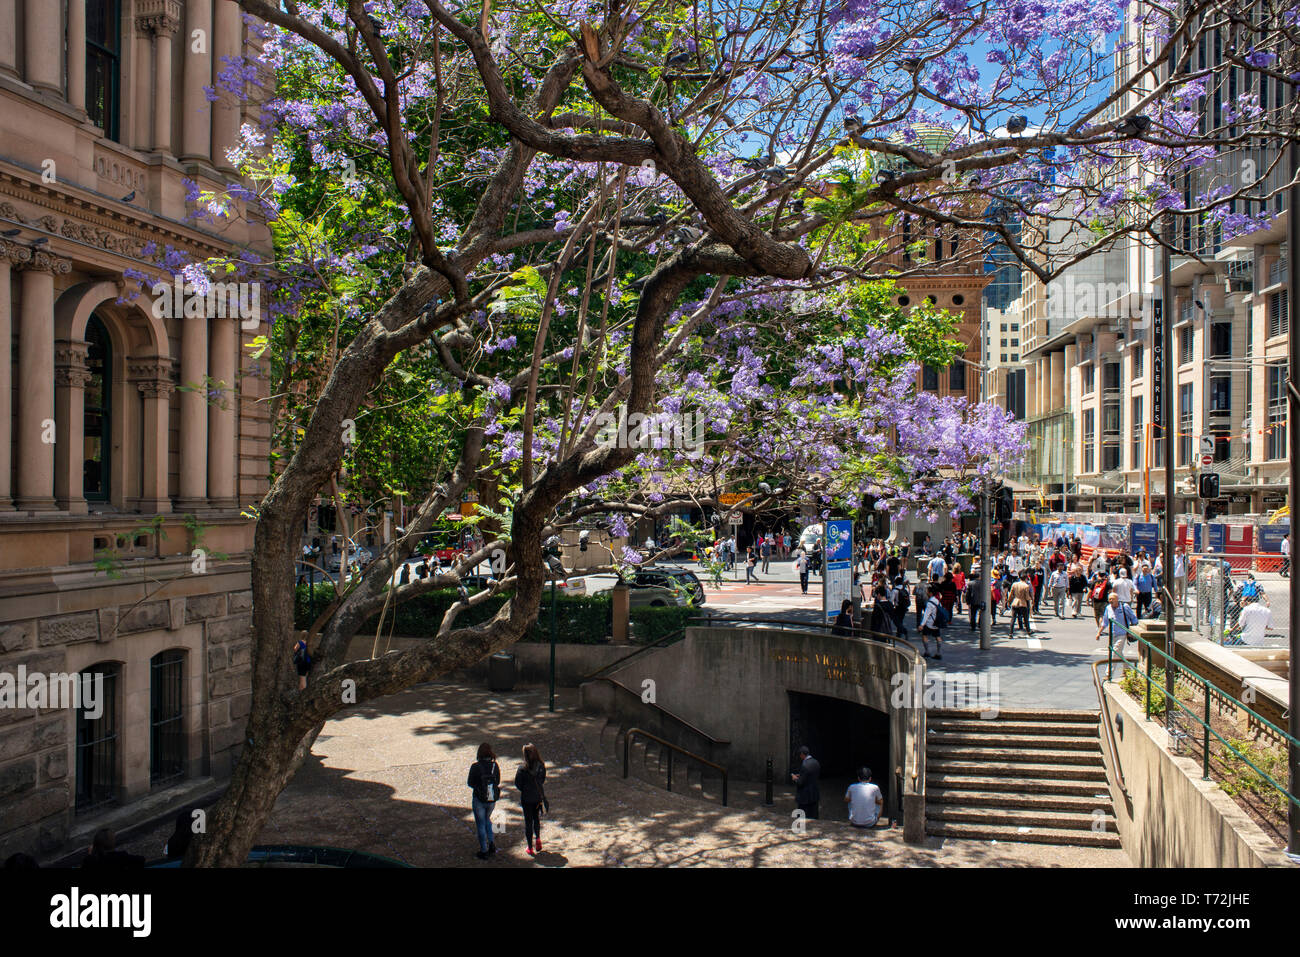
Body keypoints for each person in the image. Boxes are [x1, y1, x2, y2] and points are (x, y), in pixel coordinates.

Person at [467, 742, 501, 860]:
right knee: (487, 819)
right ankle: (491, 842)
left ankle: (484, 849)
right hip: (491, 798)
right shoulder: (494, 766)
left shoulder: (475, 766)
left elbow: (470, 783)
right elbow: (498, 781)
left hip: (479, 798)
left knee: (480, 824)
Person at [515, 744, 549, 856]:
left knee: (528, 822)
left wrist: (525, 789)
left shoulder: (522, 769)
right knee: (536, 818)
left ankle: (530, 847)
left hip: (526, 798)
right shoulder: (541, 766)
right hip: (537, 797)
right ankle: (538, 839)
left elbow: (518, 784)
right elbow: (542, 780)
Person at [1096, 592, 1140, 660]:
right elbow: (1105, 622)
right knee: (1118, 652)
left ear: (1117, 599)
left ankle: (1109, 670)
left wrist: (1132, 631)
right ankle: (1126, 668)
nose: (1111, 601)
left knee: (1115, 651)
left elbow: (1134, 619)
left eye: (1112, 599)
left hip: (1122, 634)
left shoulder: (1124, 607)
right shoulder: (1108, 608)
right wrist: (1099, 633)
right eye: (1109, 599)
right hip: (1112, 634)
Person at [80, 829, 144, 870]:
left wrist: (90, 855)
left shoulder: (90, 860)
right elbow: (141, 860)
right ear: (112, 843)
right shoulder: (121, 856)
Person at [791, 746, 821, 820]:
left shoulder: (805, 765)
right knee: (813, 815)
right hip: (814, 793)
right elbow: (811, 775)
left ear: (802, 754)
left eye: (800, 755)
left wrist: (795, 778)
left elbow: (800, 782)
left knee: (802, 816)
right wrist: (801, 775)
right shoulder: (815, 762)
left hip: (805, 796)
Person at [919, 588, 944, 659]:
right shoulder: (938, 601)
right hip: (937, 622)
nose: (927, 593)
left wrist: (922, 624)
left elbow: (926, 614)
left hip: (929, 623)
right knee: (938, 637)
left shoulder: (930, 603)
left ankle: (927, 652)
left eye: (927, 592)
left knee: (924, 636)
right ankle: (938, 653)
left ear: (930, 593)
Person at [1008, 572, 1034, 638]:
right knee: (1025, 618)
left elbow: (1011, 594)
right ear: (1025, 578)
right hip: (1023, 603)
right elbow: (1027, 597)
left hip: (1015, 602)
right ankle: (1028, 631)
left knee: (1013, 618)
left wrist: (1009, 602)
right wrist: (1031, 600)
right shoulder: (1026, 586)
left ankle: (1010, 633)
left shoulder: (1014, 584)